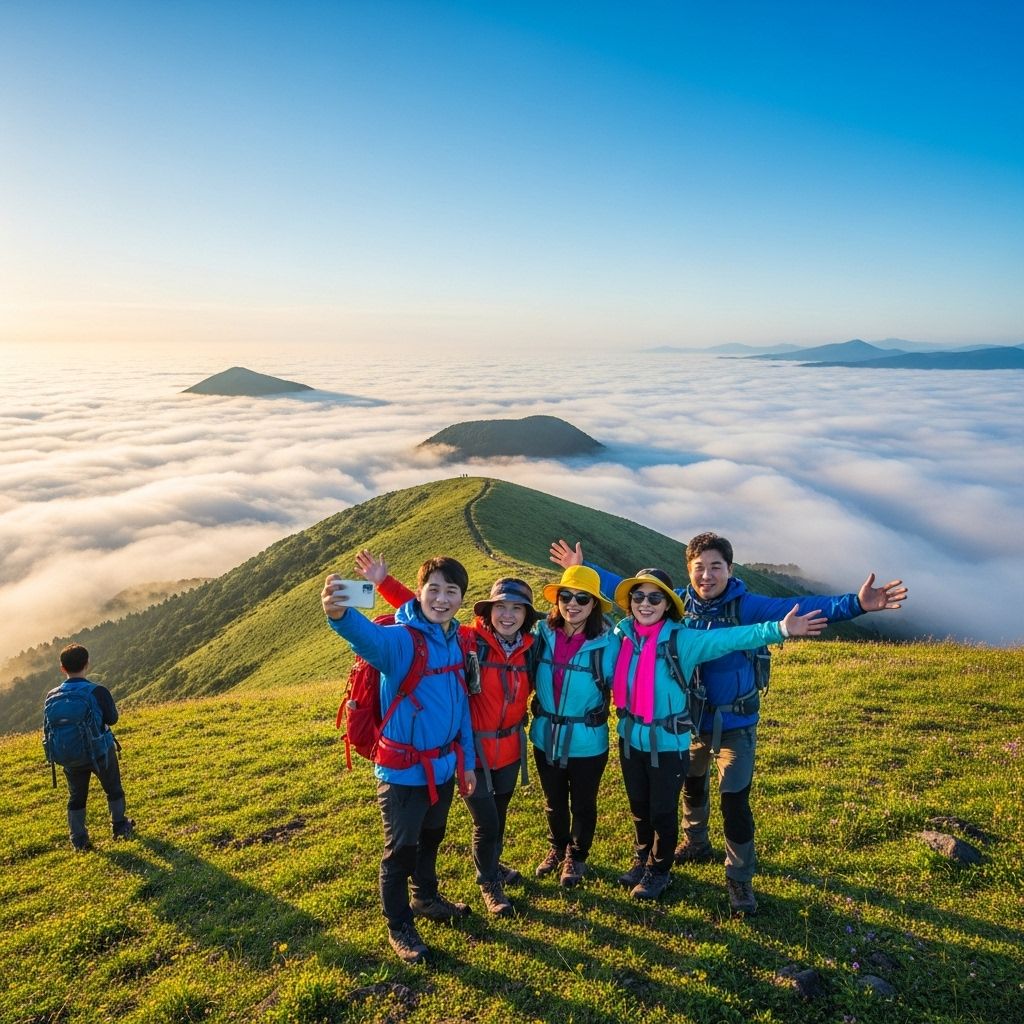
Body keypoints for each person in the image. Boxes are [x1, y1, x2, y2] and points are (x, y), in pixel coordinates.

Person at [551, 534, 908, 915]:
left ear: (730, 569)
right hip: (688, 722)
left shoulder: (745, 606)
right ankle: (696, 841)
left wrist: (855, 604)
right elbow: (628, 588)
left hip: (735, 723)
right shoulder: (677, 604)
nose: (707, 575)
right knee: (690, 787)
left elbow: (797, 606)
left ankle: (739, 878)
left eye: (715, 566)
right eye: (699, 568)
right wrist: (579, 570)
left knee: (734, 799)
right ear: (688, 571)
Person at [608, 568, 826, 901]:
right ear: (630, 603)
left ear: (668, 604)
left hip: (668, 742)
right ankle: (642, 859)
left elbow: (734, 638)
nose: (646, 603)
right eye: (638, 596)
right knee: (640, 806)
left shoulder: (684, 640)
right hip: (629, 736)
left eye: (655, 597)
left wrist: (781, 629)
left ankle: (659, 871)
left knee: (662, 810)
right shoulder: (621, 636)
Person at [354, 550, 537, 917]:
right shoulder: (467, 639)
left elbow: (574, 624)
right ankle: (486, 882)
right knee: (482, 822)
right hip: (466, 752)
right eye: (500, 606)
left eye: (517, 609)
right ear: (485, 610)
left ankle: (478, 871)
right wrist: (380, 583)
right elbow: (424, 607)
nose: (507, 615)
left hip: (504, 751)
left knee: (493, 820)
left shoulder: (531, 647)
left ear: (527, 616)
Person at [322, 557, 478, 965]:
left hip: (443, 768)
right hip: (403, 772)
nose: (442, 599)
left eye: (451, 591)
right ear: (421, 591)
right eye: (434, 589)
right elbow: (367, 639)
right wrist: (340, 614)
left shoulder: (456, 640)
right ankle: (399, 924)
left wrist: (468, 764)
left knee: (432, 839)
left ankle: (426, 898)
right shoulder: (403, 640)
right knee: (400, 852)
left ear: (461, 598)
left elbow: (461, 708)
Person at [529, 565, 618, 888]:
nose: (573, 604)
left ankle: (576, 857)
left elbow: (628, 682)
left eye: (583, 598)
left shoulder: (608, 645)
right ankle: (557, 848)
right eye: (566, 596)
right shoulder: (541, 634)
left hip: (588, 741)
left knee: (583, 802)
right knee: (553, 801)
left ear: (594, 605)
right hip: (545, 736)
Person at [45, 643, 134, 851]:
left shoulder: (51, 696)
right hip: (99, 751)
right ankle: (120, 827)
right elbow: (112, 719)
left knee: (76, 796)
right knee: (113, 788)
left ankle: (79, 840)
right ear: (87, 664)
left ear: (62, 668)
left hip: (69, 755)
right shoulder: (97, 691)